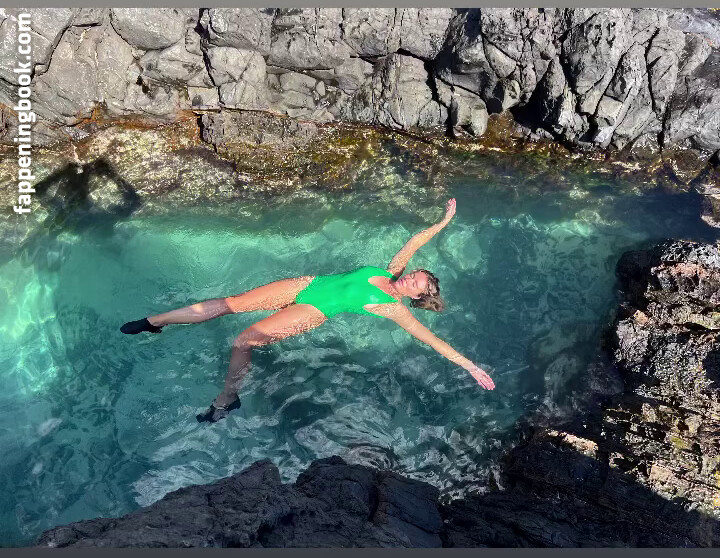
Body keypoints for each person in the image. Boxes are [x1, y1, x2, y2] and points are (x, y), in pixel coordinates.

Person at [121, 198, 495, 423]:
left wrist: (470, 366)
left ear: (417, 295)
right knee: (229, 303)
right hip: (306, 285)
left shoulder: (395, 309)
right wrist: (444, 222)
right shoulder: (390, 272)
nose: (412, 276)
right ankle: (154, 322)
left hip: (314, 310)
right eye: (416, 273)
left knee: (243, 341)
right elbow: (415, 242)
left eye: (418, 282)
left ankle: (228, 398)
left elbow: (431, 340)